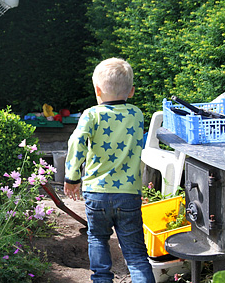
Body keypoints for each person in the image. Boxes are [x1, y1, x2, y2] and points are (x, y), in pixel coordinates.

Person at [64, 57, 155, 283]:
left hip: (97, 193)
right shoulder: (136, 114)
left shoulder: (91, 115)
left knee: (97, 239)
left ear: (97, 89)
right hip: (128, 195)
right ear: (131, 91)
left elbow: (76, 143)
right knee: (135, 255)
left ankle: (102, 279)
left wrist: (72, 177)